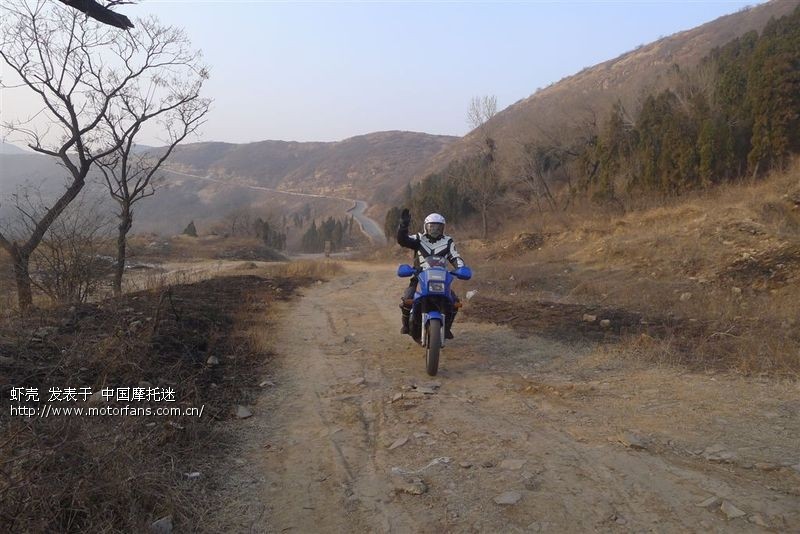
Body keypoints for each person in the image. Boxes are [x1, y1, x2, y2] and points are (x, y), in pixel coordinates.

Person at [396, 209, 465, 339]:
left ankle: (447, 327)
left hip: (441, 278)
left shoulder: (448, 241)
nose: (435, 229)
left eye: (438, 227)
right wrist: (403, 226)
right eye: (432, 226)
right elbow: (403, 240)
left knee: (454, 302)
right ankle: (405, 325)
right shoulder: (418, 238)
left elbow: (455, 257)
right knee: (407, 298)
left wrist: (461, 268)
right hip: (419, 276)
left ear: (443, 228)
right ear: (426, 227)